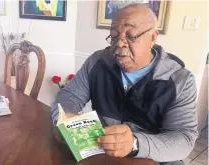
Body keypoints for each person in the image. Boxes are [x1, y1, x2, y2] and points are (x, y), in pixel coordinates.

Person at [51, 3, 198, 165]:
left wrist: (135, 143)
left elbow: (184, 139)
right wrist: (62, 119)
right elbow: (69, 96)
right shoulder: (97, 62)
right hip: (103, 153)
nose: (119, 44)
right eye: (114, 36)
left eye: (131, 36)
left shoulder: (180, 80)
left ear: (153, 38)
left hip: (155, 159)